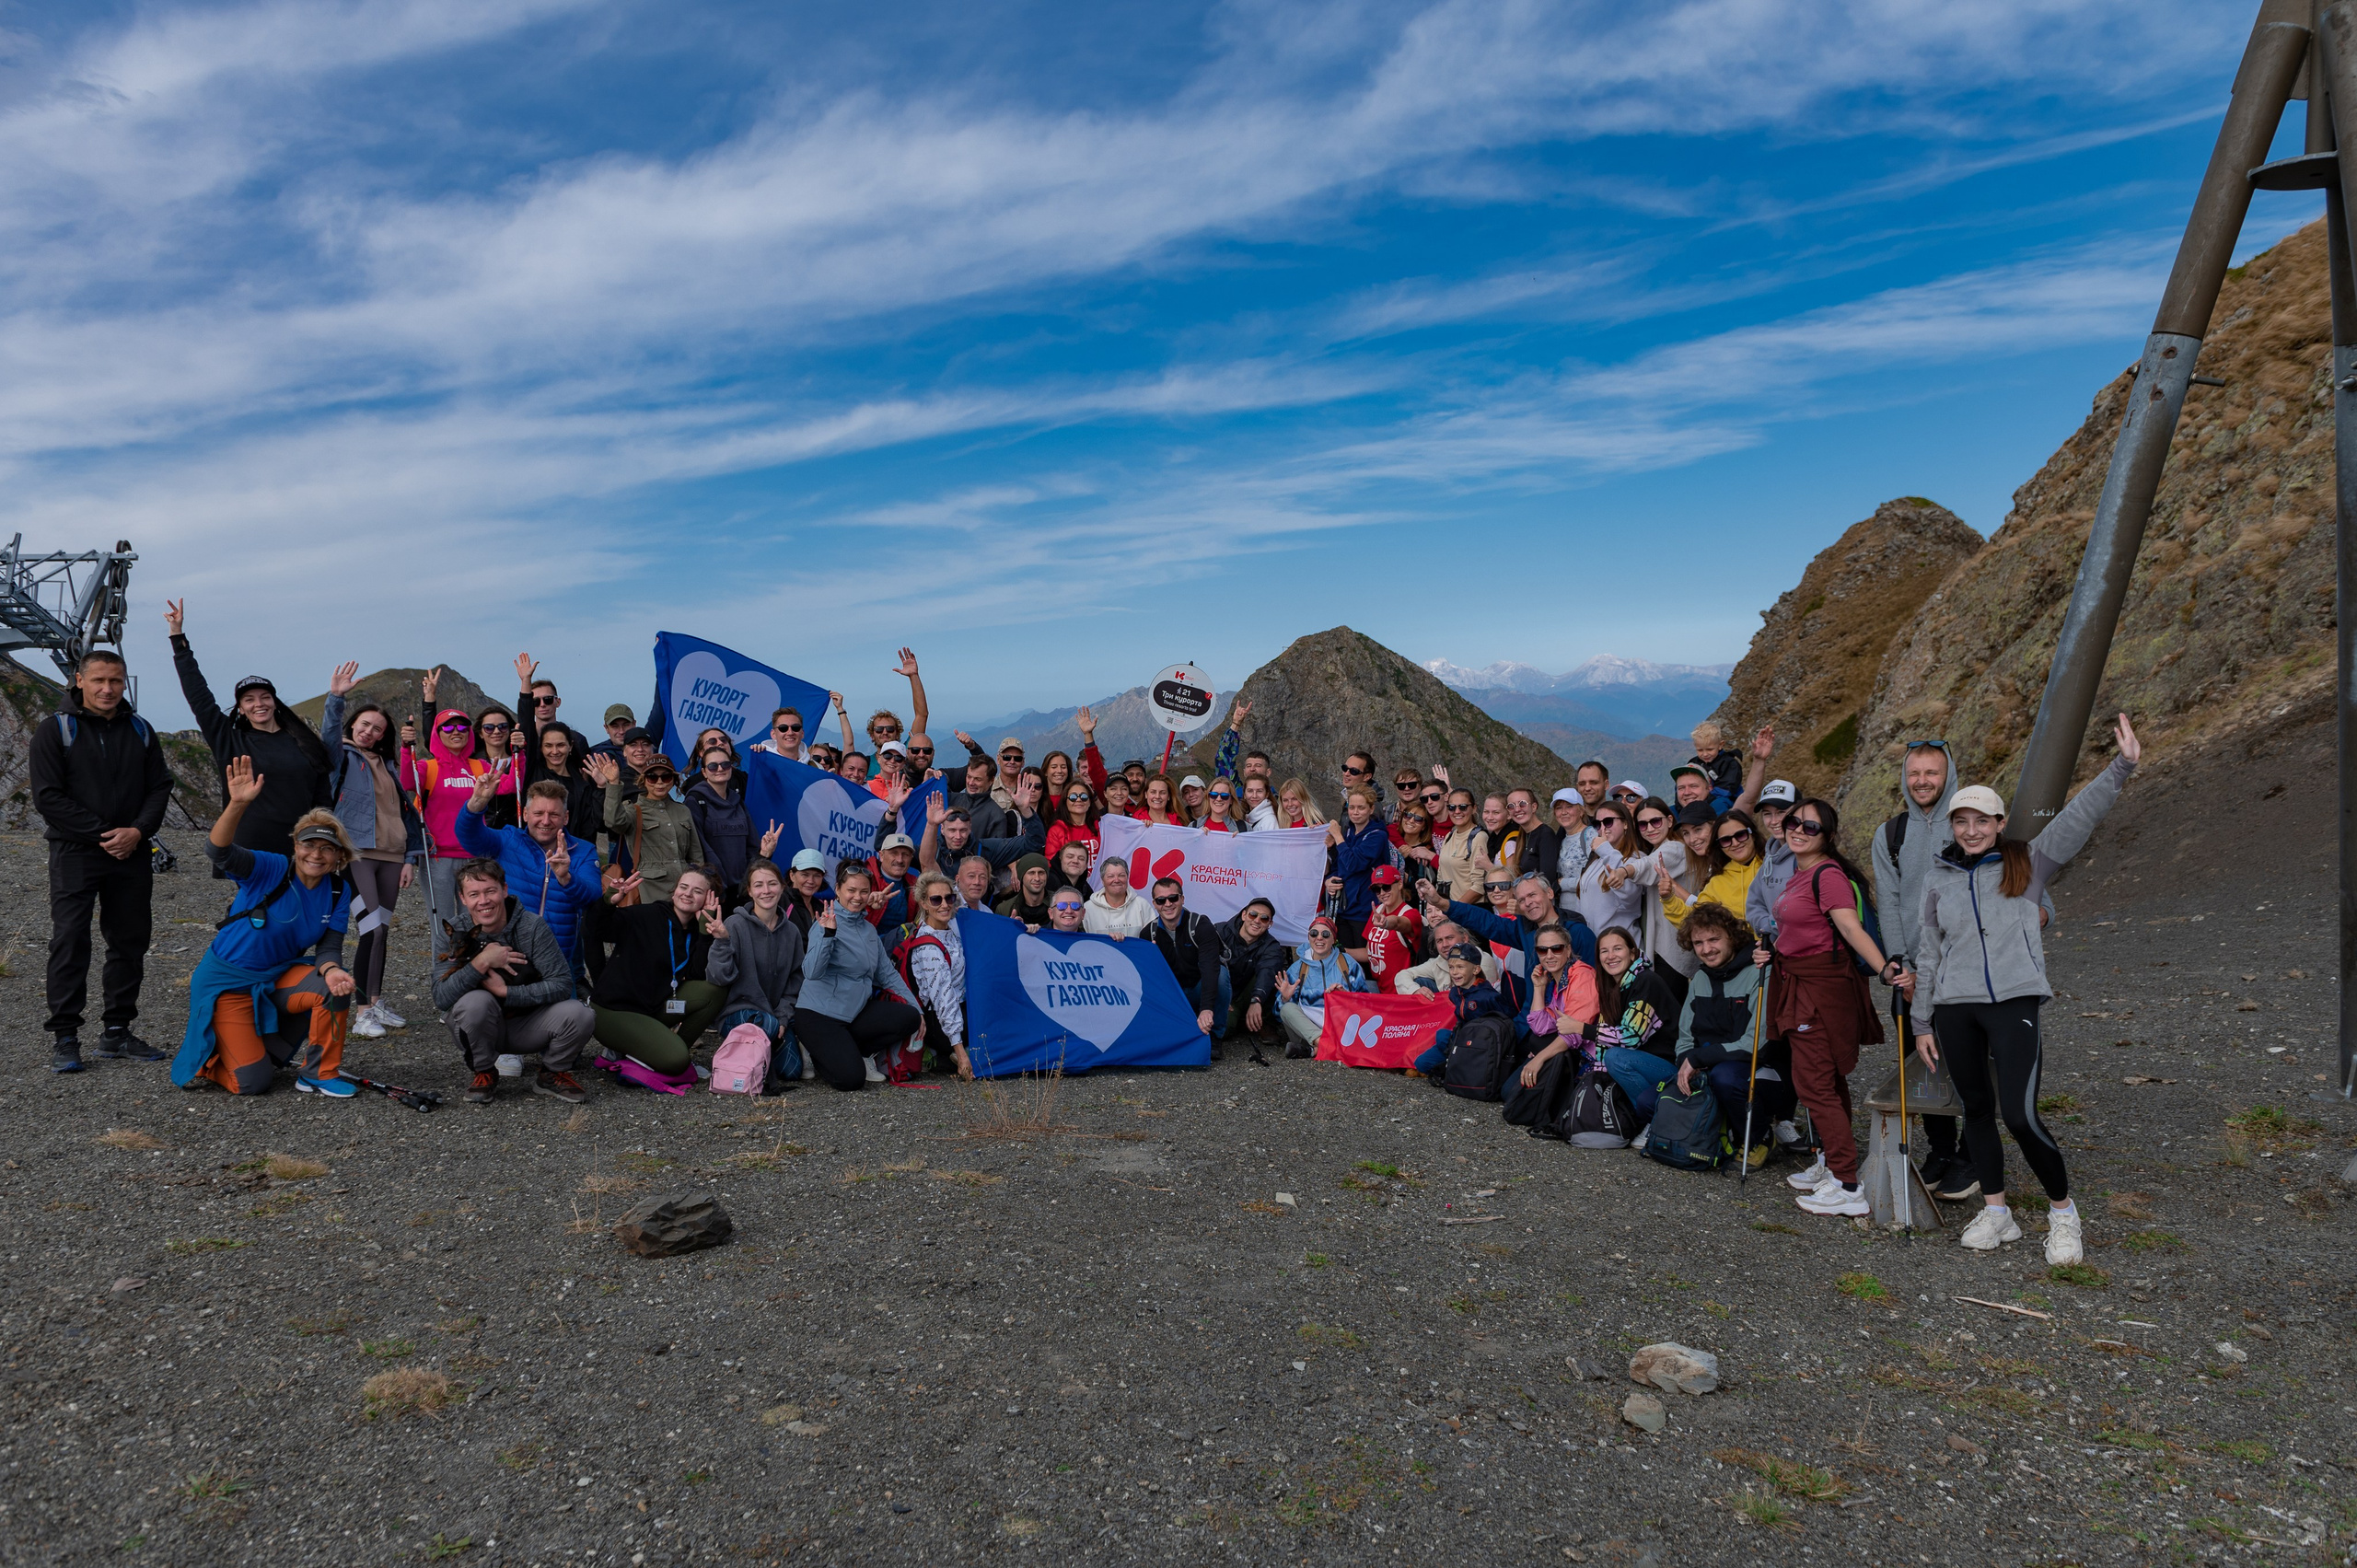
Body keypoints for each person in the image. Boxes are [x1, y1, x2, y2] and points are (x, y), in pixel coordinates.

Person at [1908, 716, 2140, 1266]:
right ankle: (1998, 1213)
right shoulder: (1938, 879)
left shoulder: (2028, 861)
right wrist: (1921, 1023)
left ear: (1999, 821)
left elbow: (2080, 816)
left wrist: (2122, 765)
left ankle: (2063, 1214)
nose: (1970, 830)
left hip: (2014, 1003)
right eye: (1961, 821)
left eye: (1981, 820)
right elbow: (1928, 955)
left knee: (2020, 1113)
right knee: (1977, 1112)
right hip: (1955, 1011)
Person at [170, 760, 357, 1098]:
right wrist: (238, 804)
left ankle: (318, 1073)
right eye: (308, 844)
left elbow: (330, 946)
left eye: (327, 848)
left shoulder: (337, 890)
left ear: (339, 856)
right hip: (228, 981)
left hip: (275, 976)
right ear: (296, 846)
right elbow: (217, 851)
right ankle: (210, 1061)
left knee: (336, 986)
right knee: (254, 1083)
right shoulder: (271, 868)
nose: (316, 854)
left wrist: (331, 970)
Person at [33, 646, 173, 1072]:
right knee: (71, 939)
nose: (108, 689)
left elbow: (159, 787)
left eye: (116, 681)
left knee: (129, 940)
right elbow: (48, 798)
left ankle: (117, 1032)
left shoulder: (141, 730)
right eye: (99, 680)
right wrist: (103, 835)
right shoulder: (55, 730)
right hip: (76, 851)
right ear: (80, 681)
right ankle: (66, 1037)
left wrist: (137, 832)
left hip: (130, 851)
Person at [1766, 798, 1901, 1219]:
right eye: (1793, 822)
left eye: (1810, 826)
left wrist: (1885, 970)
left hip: (1819, 992)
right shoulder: (1801, 873)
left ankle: (1847, 1186)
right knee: (1827, 1079)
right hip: (1799, 981)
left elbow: (1848, 927)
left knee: (1814, 1084)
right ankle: (1830, 1162)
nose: (1798, 830)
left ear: (1828, 836)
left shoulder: (1828, 875)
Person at [1871, 742, 1973, 1201]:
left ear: (1948, 774)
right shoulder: (1891, 834)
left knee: (1973, 1059)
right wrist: (1899, 962)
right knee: (1926, 1061)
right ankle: (1942, 1149)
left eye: (1932, 772)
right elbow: (1888, 902)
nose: (1922, 781)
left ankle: (1973, 1152)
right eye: (1915, 773)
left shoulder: (1968, 827)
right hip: (1916, 976)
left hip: (1968, 970)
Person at [165, 600, 335, 858]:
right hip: (250, 847)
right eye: (249, 700)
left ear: (275, 702)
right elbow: (198, 695)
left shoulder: (304, 741)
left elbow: (323, 798)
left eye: (265, 697)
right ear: (241, 708)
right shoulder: (229, 740)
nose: (259, 704)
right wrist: (178, 638)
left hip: (304, 846)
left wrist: (324, 839)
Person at [433, 858, 597, 1105]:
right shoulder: (453, 932)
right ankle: (485, 1070)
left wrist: (506, 991)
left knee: (581, 1014)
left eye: (490, 891)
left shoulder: (531, 926)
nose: (484, 901)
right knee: (474, 1002)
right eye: (474, 894)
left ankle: (551, 1073)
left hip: (528, 1023)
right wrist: (482, 962)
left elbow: (562, 984)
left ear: (504, 890)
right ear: (463, 898)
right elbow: (441, 997)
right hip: (480, 1024)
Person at [329, 692, 424, 1039]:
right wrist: (335, 698)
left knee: (381, 932)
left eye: (377, 728)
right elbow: (328, 735)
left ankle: (375, 1000)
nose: (369, 732)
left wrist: (410, 859)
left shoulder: (389, 766)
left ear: (384, 735)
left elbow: (404, 813)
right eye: (364, 724)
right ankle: (362, 1012)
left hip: (392, 855)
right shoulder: (341, 756)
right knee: (372, 929)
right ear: (353, 723)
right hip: (356, 855)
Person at [1658, 902, 1789, 1154]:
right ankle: (1721, 1129)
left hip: (1762, 1069)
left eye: (1714, 939)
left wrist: (1699, 1059)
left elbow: (1757, 1043)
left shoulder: (1761, 972)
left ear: (1732, 936)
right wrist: (1687, 1062)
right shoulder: (1700, 979)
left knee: (1725, 1078)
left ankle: (1759, 1137)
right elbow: (1685, 1037)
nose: (1707, 949)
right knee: (1648, 1101)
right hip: (1710, 1067)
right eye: (1698, 943)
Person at [455, 774, 605, 978]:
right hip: (507, 957)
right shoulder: (508, 840)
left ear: (566, 817)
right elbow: (470, 837)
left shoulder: (583, 850)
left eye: (554, 814)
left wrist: (566, 878)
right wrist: (477, 803)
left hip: (556, 960)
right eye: (538, 813)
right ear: (525, 814)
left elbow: (593, 896)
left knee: (573, 1011)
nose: (545, 821)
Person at [794, 863, 924, 1090]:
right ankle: (813, 1049)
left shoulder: (869, 930)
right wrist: (828, 935)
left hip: (854, 1013)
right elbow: (812, 972)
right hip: (819, 1015)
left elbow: (888, 976)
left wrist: (918, 1010)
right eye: (851, 890)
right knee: (851, 1080)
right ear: (837, 890)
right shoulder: (825, 922)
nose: (857, 897)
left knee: (910, 1017)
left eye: (864, 891)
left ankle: (858, 1052)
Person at [589, 863, 726, 1076]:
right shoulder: (646, 915)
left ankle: (657, 1052)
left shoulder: (694, 931)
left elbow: (696, 976)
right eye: (683, 887)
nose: (687, 894)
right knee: (676, 1060)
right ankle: (660, 1055)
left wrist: (704, 931)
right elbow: (597, 930)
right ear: (674, 890)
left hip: (652, 1008)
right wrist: (608, 903)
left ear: (709, 899)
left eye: (697, 891)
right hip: (615, 1011)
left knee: (713, 992)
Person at [401, 671, 511, 920]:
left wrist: (520, 754)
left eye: (462, 726)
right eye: (448, 727)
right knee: (443, 924)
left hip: (474, 855)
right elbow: (407, 781)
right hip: (437, 856)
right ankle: (443, 962)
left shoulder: (479, 765)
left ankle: (476, 961)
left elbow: (507, 787)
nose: (456, 731)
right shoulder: (428, 766)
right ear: (437, 733)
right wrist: (406, 750)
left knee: (475, 922)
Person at [707, 856, 808, 1086]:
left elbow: (796, 981)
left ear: (782, 887)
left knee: (792, 1072)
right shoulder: (734, 924)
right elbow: (718, 977)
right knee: (768, 1024)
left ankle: (750, 1058)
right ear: (750, 891)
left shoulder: (791, 931)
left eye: (772, 884)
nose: (766, 891)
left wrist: (783, 1016)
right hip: (739, 1012)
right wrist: (722, 942)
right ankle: (742, 1060)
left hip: (774, 1015)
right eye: (758, 885)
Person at [1585, 924, 1684, 1113]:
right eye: (1604, 951)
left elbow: (1631, 1038)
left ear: (1632, 954)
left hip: (1673, 1068)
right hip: (1645, 1065)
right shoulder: (1612, 988)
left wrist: (1583, 1030)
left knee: (1616, 1058)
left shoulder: (1646, 980)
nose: (1610, 956)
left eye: (1617, 948)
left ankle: (1653, 1116)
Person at [1504, 923, 1601, 1113]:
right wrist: (1539, 988)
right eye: (1542, 950)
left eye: (1556, 948)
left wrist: (1539, 1059)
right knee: (1508, 1093)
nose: (1549, 955)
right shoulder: (1556, 981)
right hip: (1567, 1053)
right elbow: (1540, 1028)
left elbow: (1574, 1033)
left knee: (1515, 1098)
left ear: (1568, 950)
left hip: (1587, 1058)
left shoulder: (1582, 975)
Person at [589, 750, 704, 901]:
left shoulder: (683, 811)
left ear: (674, 780)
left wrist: (699, 882)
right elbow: (613, 822)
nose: (659, 782)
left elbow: (696, 856)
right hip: (650, 891)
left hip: (684, 890)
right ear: (643, 781)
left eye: (666, 777)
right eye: (652, 777)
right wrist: (613, 783)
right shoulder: (633, 810)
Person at [900, 872, 973, 1080]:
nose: (944, 904)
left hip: (959, 1010)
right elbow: (944, 999)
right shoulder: (929, 948)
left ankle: (940, 1056)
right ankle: (956, 1052)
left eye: (949, 898)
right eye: (936, 899)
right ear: (924, 903)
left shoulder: (949, 930)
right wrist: (961, 1054)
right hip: (938, 1023)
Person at [1409, 943, 1511, 1078]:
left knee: (1442, 1037)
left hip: (1481, 1045)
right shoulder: (1455, 993)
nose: (1454, 972)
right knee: (1422, 1063)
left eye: (1460, 967)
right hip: (1461, 1040)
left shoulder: (1488, 997)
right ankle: (1454, 1066)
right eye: (1451, 967)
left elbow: (1507, 1023)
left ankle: (1458, 1067)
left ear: (1475, 970)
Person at [1274, 916, 1372, 1057]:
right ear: (1309, 937)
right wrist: (1284, 998)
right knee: (1287, 1008)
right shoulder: (1297, 969)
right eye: (1314, 933)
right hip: (1307, 1034)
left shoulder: (1348, 964)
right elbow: (1278, 1015)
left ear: (1334, 939)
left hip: (1342, 1030)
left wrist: (1346, 996)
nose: (1319, 938)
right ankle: (1326, 1045)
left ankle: (1317, 1050)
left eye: (1325, 934)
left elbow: (1367, 1003)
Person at [1146, 877, 1225, 1042]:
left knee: (1221, 975)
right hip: (1176, 995)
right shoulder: (1148, 933)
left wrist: (1207, 1008)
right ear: (1154, 903)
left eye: (1173, 898)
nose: (1167, 904)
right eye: (1161, 900)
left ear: (1182, 899)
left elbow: (1210, 967)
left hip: (1199, 988)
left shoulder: (1201, 925)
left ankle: (1216, 1036)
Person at [1569, 798, 1648, 945]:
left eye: (1609, 822)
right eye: (1597, 824)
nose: (1603, 828)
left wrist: (1605, 850)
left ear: (1625, 824)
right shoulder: (1596, 861)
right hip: (1595, 946)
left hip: (1622, 946)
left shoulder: (1637, 860)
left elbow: (1628, 894)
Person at [1324, 787, 1392, 954]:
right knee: (1345, 958)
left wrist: (1338, 837)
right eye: (1351, 807)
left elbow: (1354, 864)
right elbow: (1339, 865)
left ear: (1371, 809)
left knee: (1365, 958)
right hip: (1343, 907)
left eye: (1361, 808)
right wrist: (1330, 880)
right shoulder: (1349, 831)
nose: (1355, 812)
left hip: (1365, 909)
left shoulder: (1377, 835)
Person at [1216, 899, 1285, 1057]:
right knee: (1224, 1029)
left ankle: (1264, 1022)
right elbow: (1204, 963)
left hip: (1248, 993)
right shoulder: (1220, 931)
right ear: (1244, 915)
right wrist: (1218, 997)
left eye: (1264, 918)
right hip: (1223, 992)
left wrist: (1256, 1000)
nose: (1257, 921)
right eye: (1253, 915)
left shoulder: (1272, 945)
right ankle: (1243, 1021)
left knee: (1276, 973)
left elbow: (1268, 971)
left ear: (1270, 924)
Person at [1390, 920, 1499, 994]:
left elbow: (1484, 1000)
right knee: (1419, 982)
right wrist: (1415, 990)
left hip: (1474, 1016)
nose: (1445, 944)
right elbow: (1401, 975)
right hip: (1444, 1013)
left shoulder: (1482, 960)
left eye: (1450, 938)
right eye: (1439, 941)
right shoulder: (1438, 961)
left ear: (1464, 938)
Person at [1363, 866, 1424, 990]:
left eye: (1386, 887)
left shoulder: (1411, 914)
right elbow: (1368, 953)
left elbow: (1398, 923)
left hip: (1402, 993)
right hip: (1379, 989)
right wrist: (1341, 951)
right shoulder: (1378, 911)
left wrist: (1386, 923)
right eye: (1377, 889)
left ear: (1400, 884)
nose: (1382, 893)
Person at [1083, 854, 1155, 939]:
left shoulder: (1142, 905)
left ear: (1127, 878)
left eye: (1121, 875)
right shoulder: (1088, 908)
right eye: (1110, 876)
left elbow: (1152, 938)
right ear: (1102, 880)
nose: (1116, 880)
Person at [1434, 788, 1482, 901]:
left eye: (1463, 807)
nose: (1457, 812)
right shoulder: (1449, 836)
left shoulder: (1478, 837)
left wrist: (1456, 909)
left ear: (1474, 808)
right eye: (1451, 807)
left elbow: (1479, 886)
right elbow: (1441, 877)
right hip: (1448, 911)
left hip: (1469, 911)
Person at [1044, 779, 1102, 869]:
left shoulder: (1100, 827)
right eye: (1073, 797)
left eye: (1084, 796)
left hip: (1099, 882)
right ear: (1065, 802)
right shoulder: (1056, 830)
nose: (1079, 800)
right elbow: (1052, 864)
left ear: (1090, 802)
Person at [1689, 721, 1743, 808]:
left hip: (1729, 801)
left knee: (1718, 805)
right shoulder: (1693, 763)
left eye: (1710, 749)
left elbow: (1726, 789)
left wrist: (1706, 800)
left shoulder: (1729, 764)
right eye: (1700, 750)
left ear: (1720, 745)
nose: (1705, 754)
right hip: (1701, 799)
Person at [997, 853, 1054, 929]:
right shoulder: (1005, 909)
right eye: (1031, 873)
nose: (1037, 878)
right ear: (1021, 876)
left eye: (1041, 873)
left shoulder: (1060, 904)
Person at [784, 848, 830, 938]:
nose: (811, 881)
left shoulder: (823, 907)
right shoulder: (780, 900)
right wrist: (764, 855)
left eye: (817, 876)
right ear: (792, 876)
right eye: (805, 875)